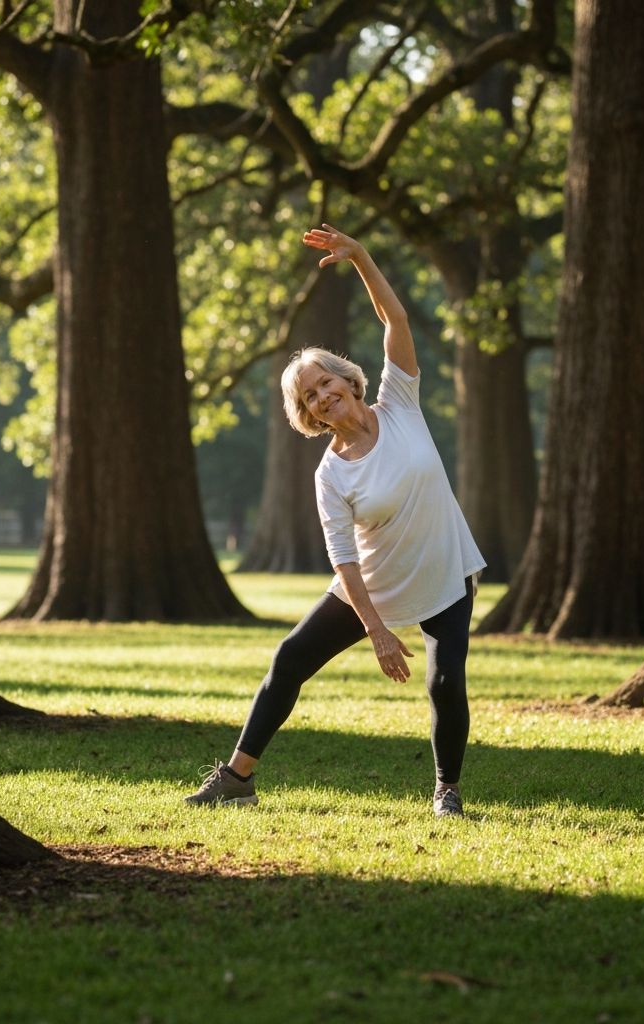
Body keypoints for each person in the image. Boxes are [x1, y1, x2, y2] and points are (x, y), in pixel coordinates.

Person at [185, 225, 486, 817]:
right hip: (370, 586)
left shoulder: (399, 403)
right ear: (309, 416)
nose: (323, 395)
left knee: (445, 682)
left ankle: (446, 791)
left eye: (326, 382)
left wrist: (362, 259)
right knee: (289, 661)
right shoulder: (331, 475)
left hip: (443, 570)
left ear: (349, 380)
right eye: (310, 397)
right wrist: (374, 629)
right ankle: (237, 777)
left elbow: (394, 321)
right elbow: (343, 560)